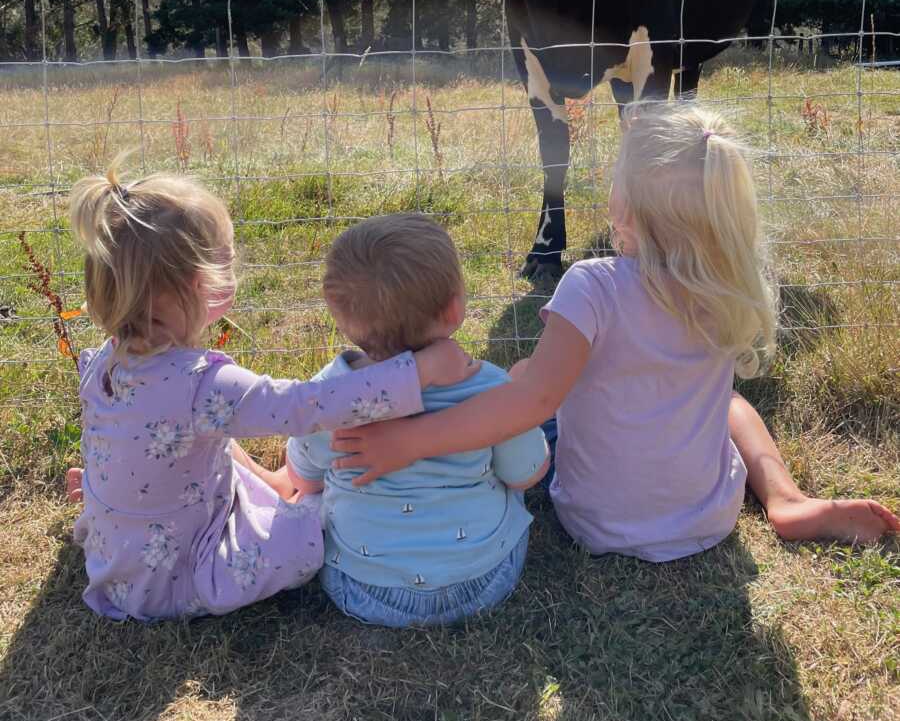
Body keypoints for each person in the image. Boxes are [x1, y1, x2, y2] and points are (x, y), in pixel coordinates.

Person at [331, 105, 900, 557]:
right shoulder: (724, 289)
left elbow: (531, 403)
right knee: (729, 403)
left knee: (533, 387)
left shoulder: (590, 285)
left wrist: (409, 441)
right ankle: (786, 499)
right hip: (709, 518)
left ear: (629, 200)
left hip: (595, 522)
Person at [64, 167, 473, 622]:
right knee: (315, 529)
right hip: (174, 578)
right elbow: (305, 407)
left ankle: (264, 493)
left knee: (205, 440)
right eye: (227, 257)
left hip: (117, 559)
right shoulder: (202, 385)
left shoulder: (104, 361)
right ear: (200, 284)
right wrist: (415, 373)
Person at [282, 213, 548, 627]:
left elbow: (304, 479)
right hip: (483, 580)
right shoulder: (492, 390)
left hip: (362, 587)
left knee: (315, 499)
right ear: (455, 309)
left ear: (342, 319)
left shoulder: (330, 394)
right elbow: (526, 476)